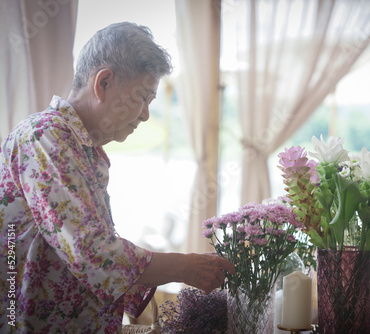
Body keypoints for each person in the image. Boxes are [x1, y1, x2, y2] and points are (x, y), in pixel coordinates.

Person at [0, 22, 235, 333]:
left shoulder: (82, 147)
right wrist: (184, 267)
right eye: (144, 98)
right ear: (104, 82)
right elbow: (92, 253)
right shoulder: (45, 138)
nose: (146, 115)